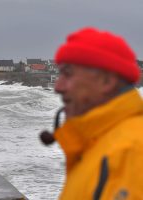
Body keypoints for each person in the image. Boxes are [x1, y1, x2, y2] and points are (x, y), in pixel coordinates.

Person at [45, 27, 143, 199]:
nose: (58, 87)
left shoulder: (132, 152)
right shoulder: (96, 144)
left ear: (106, 81)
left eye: (67, 74)